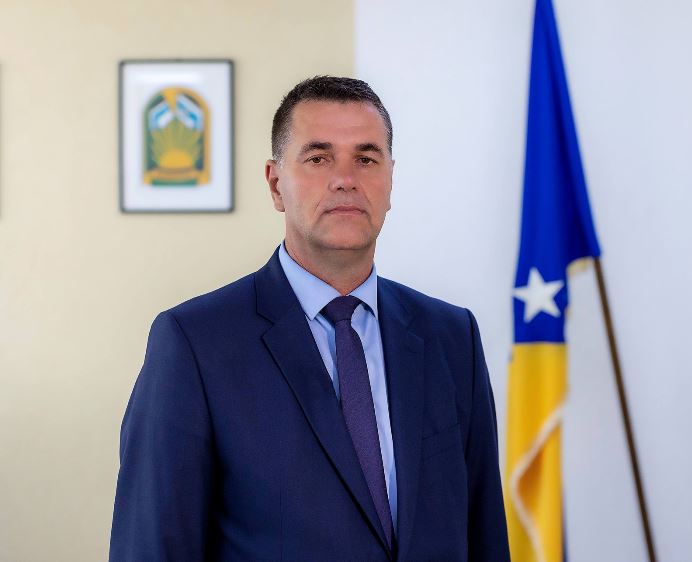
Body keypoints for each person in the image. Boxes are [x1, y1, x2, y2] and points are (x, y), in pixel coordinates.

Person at [109, 76, 509, 561]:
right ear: (276, 184)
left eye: (366, 159)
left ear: (390, 181)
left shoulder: (452, 336)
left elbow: (485, 536)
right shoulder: (194, 344)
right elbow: (153, 547)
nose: (345, 179)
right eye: (319, 158)